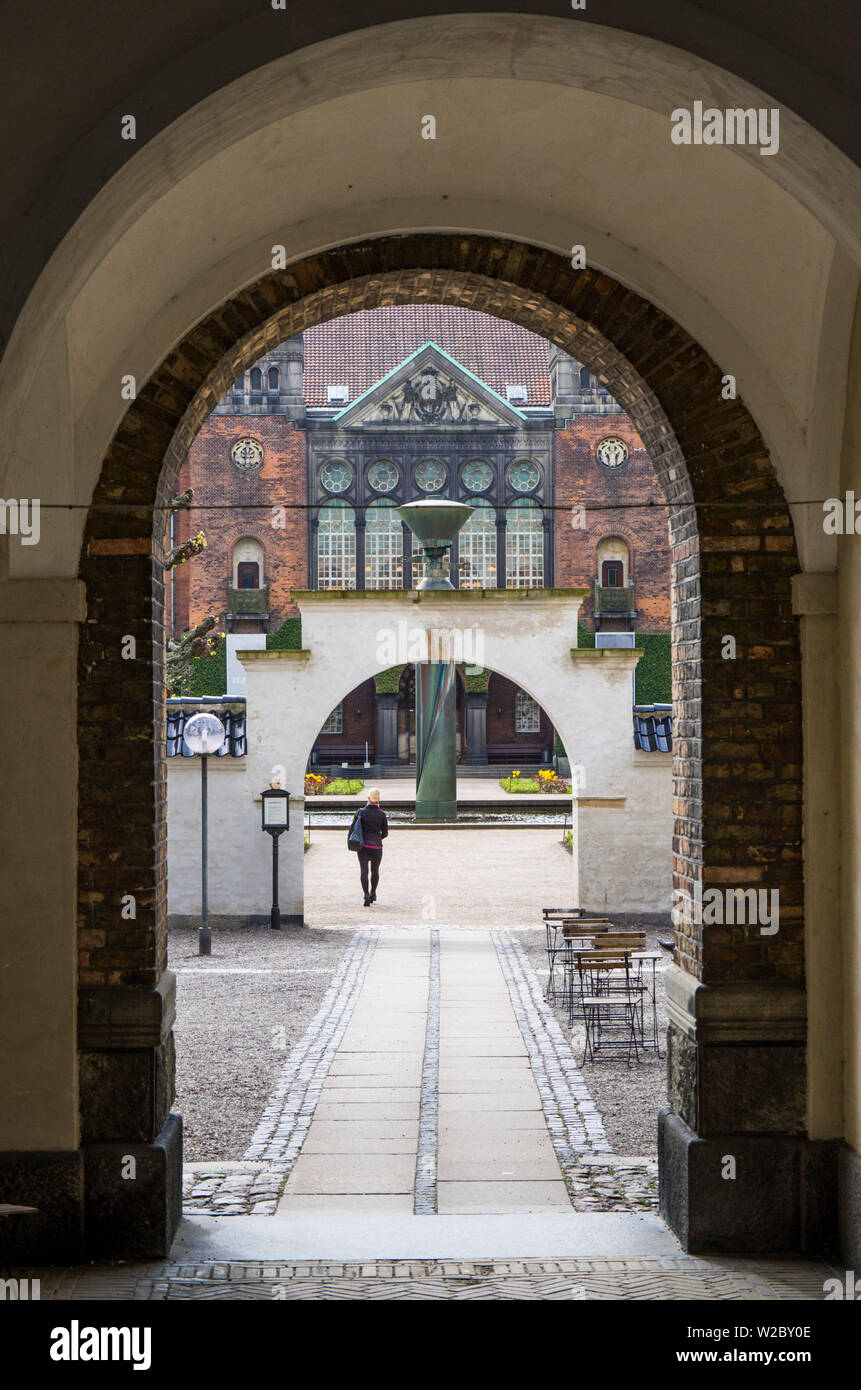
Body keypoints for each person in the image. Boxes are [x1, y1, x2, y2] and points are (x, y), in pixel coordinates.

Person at [351, 788, 388, 907]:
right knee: (375, 871)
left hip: (363, 846)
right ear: (378, 800)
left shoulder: (360, 812)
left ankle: (366, 895)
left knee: (364, 871)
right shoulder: (382, 814)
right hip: (377, 846)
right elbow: (385, 833)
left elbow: (353, 829)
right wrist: (377, 838)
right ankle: (373, 892)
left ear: (368, 799)